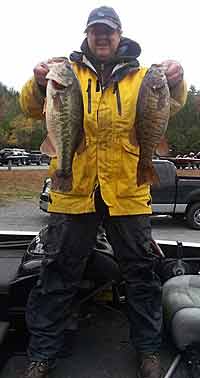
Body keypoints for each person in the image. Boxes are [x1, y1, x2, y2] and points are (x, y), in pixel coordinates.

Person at [19, 6, 187, 378]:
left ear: (120, 34)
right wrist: (36, 80)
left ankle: (147, 351)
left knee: (142, 274)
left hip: (127, 192)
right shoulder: (66, 72)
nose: (102, 37)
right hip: (73, 190)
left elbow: (172, 102)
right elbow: (32, 108)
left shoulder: (143, 77)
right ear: (87, 35)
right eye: (95, 31)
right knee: (58, 273)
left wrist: (177, 78)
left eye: (108, 31)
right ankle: (41, 354)